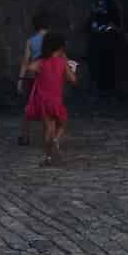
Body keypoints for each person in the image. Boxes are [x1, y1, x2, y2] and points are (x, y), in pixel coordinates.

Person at [21, 29, 78, 165]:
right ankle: (56, 140)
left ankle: (48, 158)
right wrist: (70, 69)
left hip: (43, 100)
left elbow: (29, 69)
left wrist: (37, 74)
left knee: (48, 128)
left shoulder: (41, 62)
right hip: (56, 99)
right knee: (62, 123)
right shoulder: (62, 62)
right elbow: (73, 80)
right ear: (61, 47)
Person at [86, 0, 128, 95]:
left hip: (110, 29)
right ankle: (99, 90)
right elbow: (90, 11)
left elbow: (119, 7)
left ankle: (110, 91)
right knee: (95, 59)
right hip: (96, 30)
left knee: (109, 59)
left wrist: (121, 26)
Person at [17, 9, 53, 148]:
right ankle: (48, 137)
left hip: (34, 77)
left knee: (29, 106)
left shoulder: (31, 41)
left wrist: (20, 79)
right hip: (49, 77)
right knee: (48, 107)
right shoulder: (53, 40)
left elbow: (26, 62)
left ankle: (25, 136)